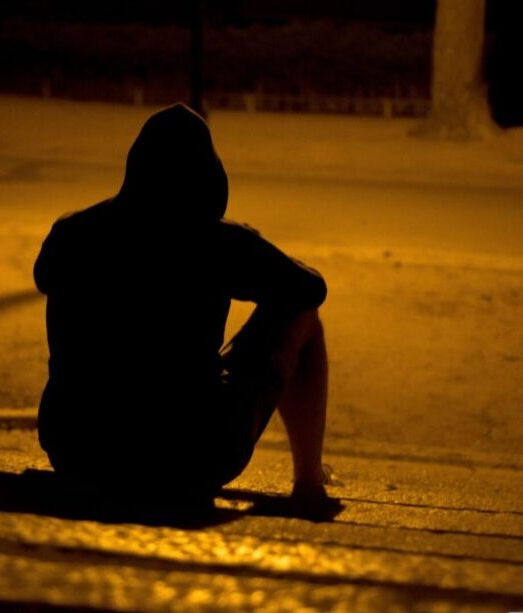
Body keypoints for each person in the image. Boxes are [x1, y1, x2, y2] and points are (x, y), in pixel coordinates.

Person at [34, 104, 338, 518]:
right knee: (304, 318)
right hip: (193, 455)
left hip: (78, 449)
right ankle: (309, 480)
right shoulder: (218, 242)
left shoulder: (71, 233)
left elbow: (45, 275)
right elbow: (310, 289)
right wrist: (245, 248)